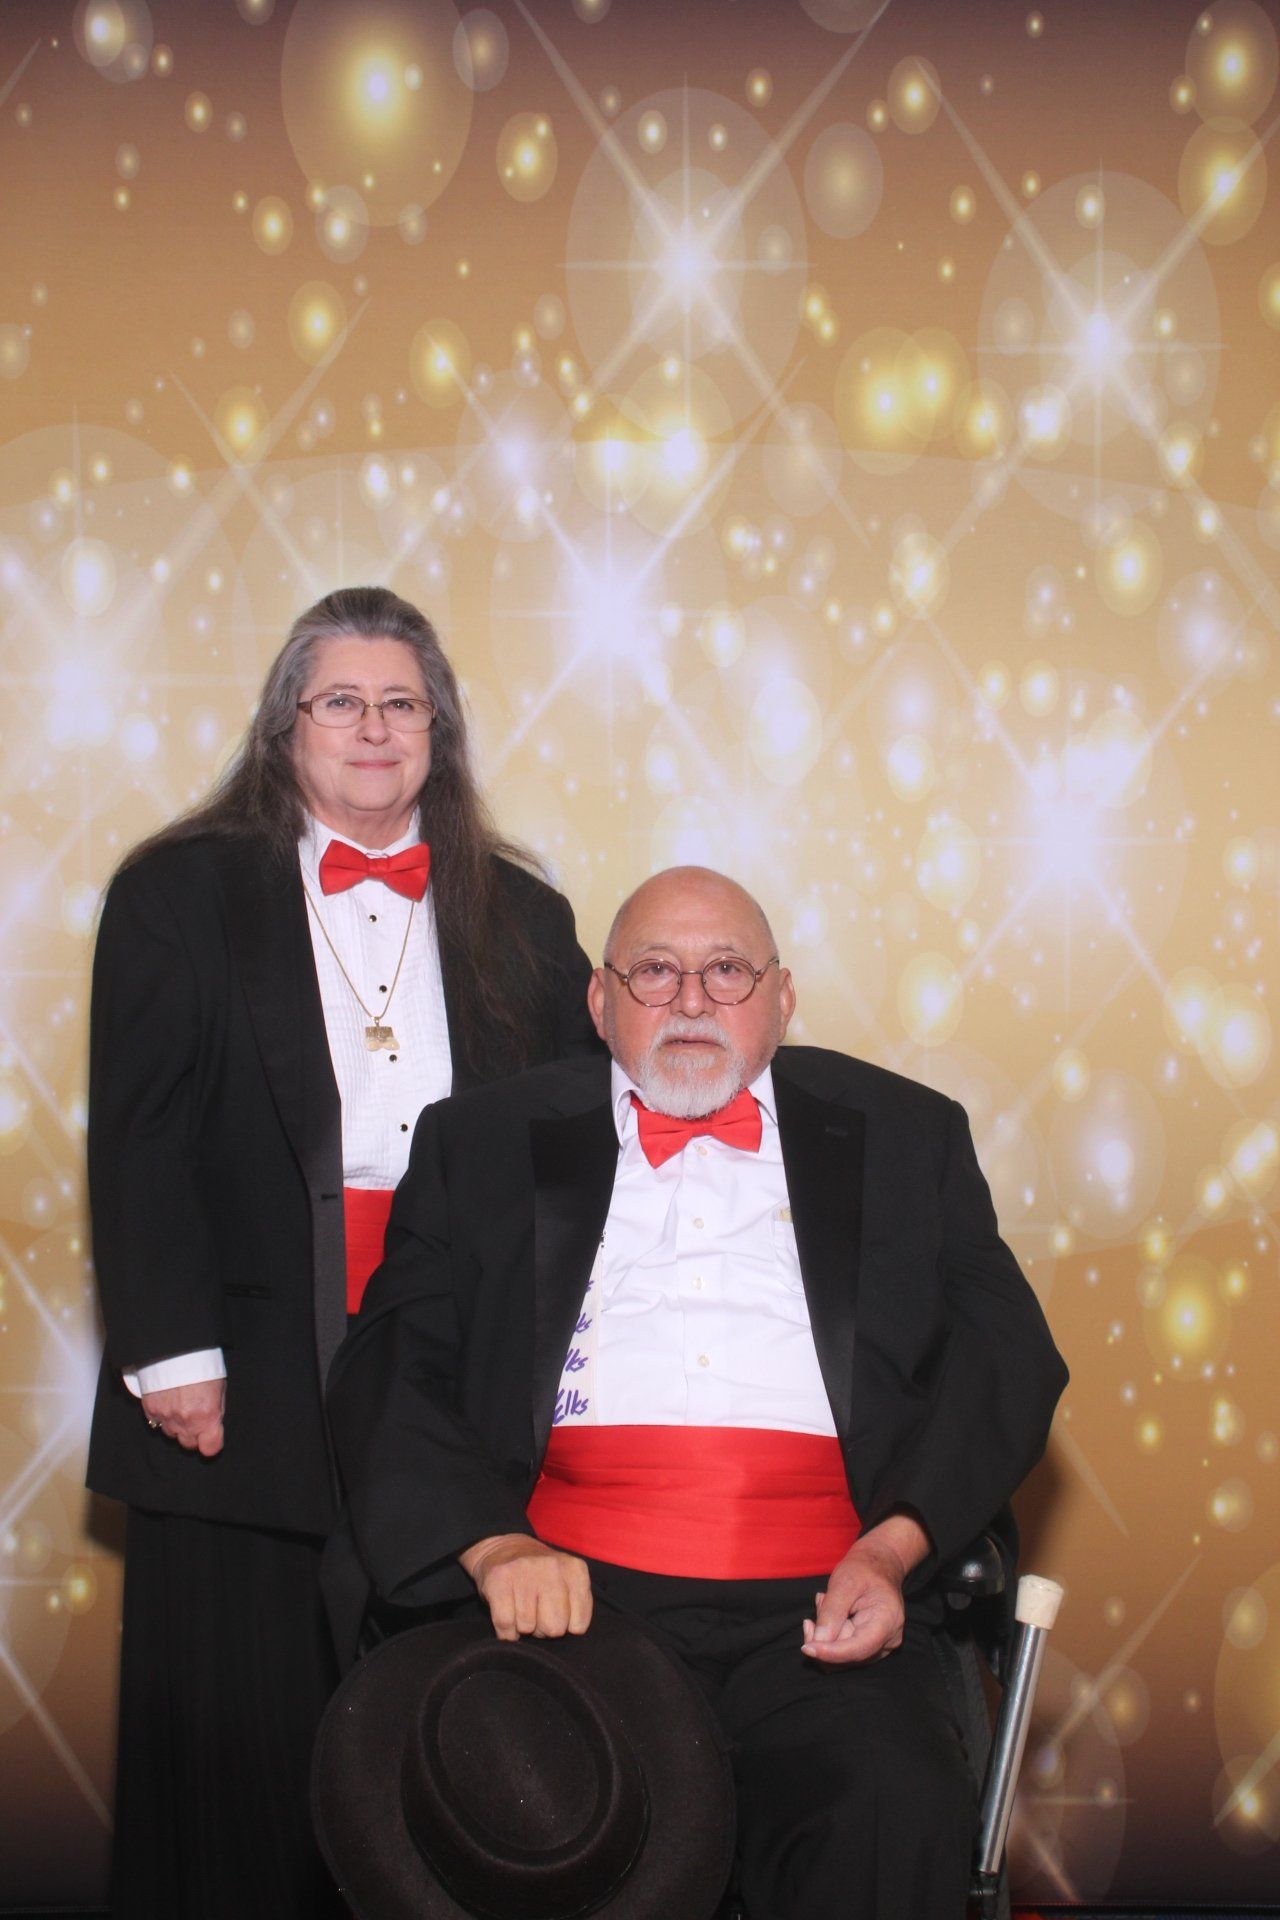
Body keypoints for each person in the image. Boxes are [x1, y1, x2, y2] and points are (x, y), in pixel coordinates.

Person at [327, 864, 1069, 1920]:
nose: (689, 1002)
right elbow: (388, 1363)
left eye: (726, 971)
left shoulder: (908, 1132)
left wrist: (895, 1546)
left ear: (782, 997)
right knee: (537, 1815)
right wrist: (493, 1549)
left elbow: (1008, 1353)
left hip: (831, 1596)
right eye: (654, 972)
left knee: (889, 1802)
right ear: (599, 1001)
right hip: (574, 1602)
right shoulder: (478, 1140)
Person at [85, 585, 598, 1919]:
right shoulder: (177, 893)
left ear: (439, 731)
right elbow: (140, 1137)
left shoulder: (526, 918)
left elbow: (573, 1155)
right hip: (238, 1371)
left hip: (447, 1363)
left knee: (430, 1743)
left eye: (401, 704)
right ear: (286, 728)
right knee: (240, 1751)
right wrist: (171, 1352)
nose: (374, 729)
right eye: (341, 702)